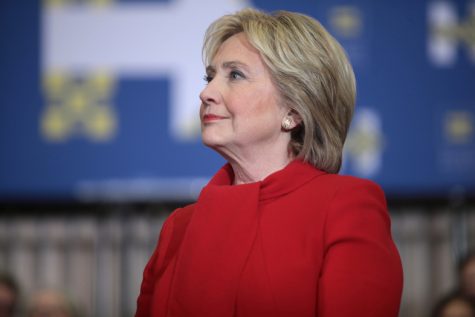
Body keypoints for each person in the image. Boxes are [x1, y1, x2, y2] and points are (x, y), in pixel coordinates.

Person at [135, 7, 403, 317]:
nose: (206, 92)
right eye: (209, 77)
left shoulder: (345, 206)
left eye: (235, 75)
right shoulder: (178, 228)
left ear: (294, 110)